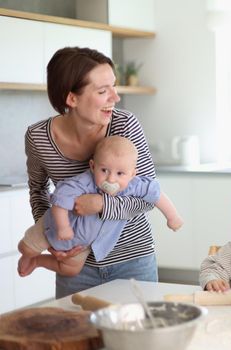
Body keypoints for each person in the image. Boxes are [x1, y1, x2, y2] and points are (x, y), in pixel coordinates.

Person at [25, 46, 164, 298]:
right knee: (77, 336)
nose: (115, 97)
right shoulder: (38, 138)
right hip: (76, 269)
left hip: (133, 261)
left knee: (138, 335)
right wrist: (52, 235)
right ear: (72, 99)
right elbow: (37, 190)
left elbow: (148, 196)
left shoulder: (125, 125)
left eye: (114, 86)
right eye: (103, 91)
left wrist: (100, 204)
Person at [18, 136, 183, 277]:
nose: (111, 179)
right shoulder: (83, 182)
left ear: (133, 174)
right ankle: (29, 255)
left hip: (81, 245)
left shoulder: (133, 185)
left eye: (120, 173)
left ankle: (38, 261)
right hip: (52, 226)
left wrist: (172, 216)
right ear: (92, 166)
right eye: (104, 170)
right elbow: (60, 200)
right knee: (26, 247)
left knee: (70, 269)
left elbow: (155, 193)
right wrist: (62, 227)